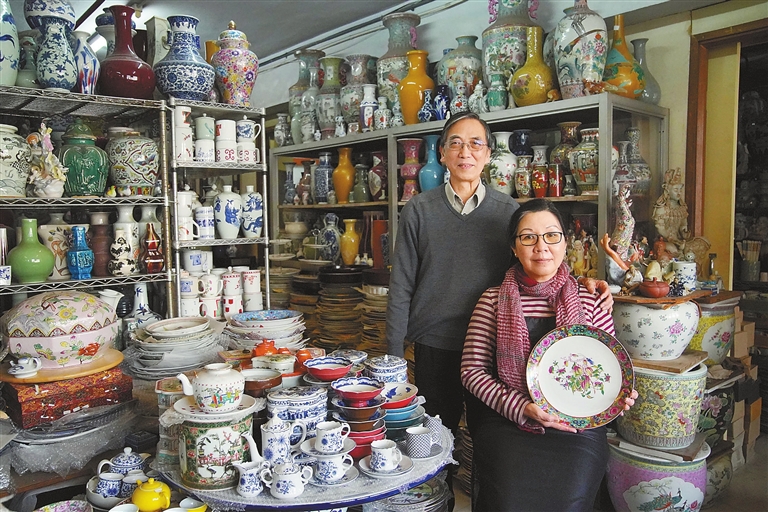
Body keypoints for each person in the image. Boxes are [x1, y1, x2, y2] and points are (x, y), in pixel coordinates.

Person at [386, 111, 612, 436]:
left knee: (486, 439)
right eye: (456, 144)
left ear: (489, 154)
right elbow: (401, 285)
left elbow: (535, 267)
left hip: (492, 345)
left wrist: (581, 283)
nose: (466, 152)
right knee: (434, 436)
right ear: (442, 153)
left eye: (476, 144)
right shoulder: (418, 210)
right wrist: (394, 357)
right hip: (435, 343)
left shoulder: (507, 210)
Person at [460, 198, 637, 512]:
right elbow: (471, 371)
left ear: (565, 243)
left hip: (577, 427)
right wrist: (521, 408)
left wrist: (617, 395)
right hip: (509, 422)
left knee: (571, 502)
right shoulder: (492, 300)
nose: (541, 246)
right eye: (528, 237)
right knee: (508, 502)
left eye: (552, 235)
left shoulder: (590, 298)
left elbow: (611, 366)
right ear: (514, 247)